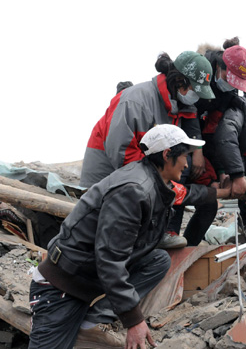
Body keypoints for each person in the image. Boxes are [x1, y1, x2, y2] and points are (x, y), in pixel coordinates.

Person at [29, 125, 231, 349]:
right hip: (61, 288)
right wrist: (133, 320)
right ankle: (89, 324)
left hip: (87, 277)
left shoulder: (157, 182)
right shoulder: (133, 190)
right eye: (184, 156)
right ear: (167, 155)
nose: (186, 164)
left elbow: (190, 193)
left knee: (158, 261)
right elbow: (109, 259)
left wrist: (224, 192)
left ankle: (94, 323)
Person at [79, 50, 217, 248]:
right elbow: (123, 153)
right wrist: (159, 183)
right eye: (195, 90)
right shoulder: (136, 100)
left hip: (132, 178)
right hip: (107, 177)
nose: (196, 98)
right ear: (179, 81)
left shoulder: (172, 107)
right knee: (109, 241)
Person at [196, 37, 246, 226]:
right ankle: (170, 229)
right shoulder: (197, 79)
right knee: (188, 170)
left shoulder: (229, 95)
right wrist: (197, 152)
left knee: (210, 204)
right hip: (186, 145)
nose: (230, 85)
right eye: (227, 79)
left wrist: (223, 171)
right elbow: (190, 120)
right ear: (218, 67)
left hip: (207, 146)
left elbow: (216, 134)